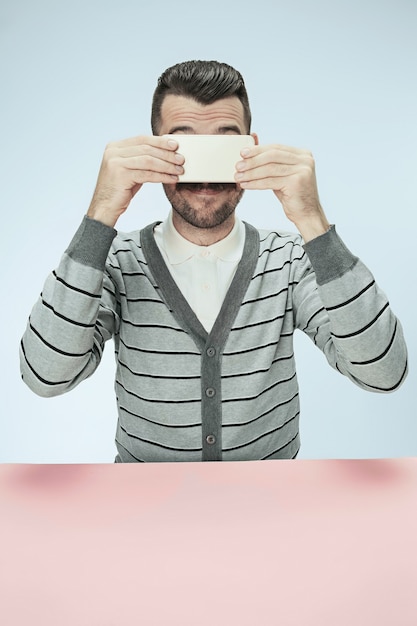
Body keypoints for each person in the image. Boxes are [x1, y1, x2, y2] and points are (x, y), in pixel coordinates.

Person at [20, 60, 408, 463]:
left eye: (223, 146)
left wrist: (313, 221)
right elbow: (46, 376)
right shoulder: (116, 262)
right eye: (183, 146)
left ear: (250, 149)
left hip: (272, 512)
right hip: (142, 514)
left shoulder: (291, 259)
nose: (205, 176)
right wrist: (100, 213)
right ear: (153, 152)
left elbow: (383, 373)